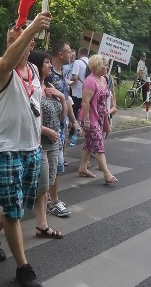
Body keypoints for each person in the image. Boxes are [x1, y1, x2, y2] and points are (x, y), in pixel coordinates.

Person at [0, 13, 52, 287]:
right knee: (13, 210)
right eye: (10, 38)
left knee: (19, 203)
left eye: (20, 38)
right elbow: (8, 60)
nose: (14, 41)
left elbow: (34, 107)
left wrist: (42, 132)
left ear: (31, 45)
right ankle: (23, 268)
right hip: (5, 151)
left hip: (31, 148)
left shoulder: (34, 71)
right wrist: (31, 27)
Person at [27, 50, 66, 238]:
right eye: (47, 62)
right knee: (41, 186)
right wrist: (47, 131)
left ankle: (42, 225)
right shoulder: (32, 88)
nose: (50, 65)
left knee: (47, 184)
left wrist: (62, 98)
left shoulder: (50, 86)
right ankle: (9, 217)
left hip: (54, 144)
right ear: (36, 65)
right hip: (39, 144)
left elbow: (62, 115)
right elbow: (29, 120)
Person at [77, 55, 117, 184]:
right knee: (99, 145)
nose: (106, 67)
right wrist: (87, 120)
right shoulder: (90, 81)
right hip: (91, 118)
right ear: (97, 66)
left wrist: (106, 119)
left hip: (100, 117)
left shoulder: (103, 79)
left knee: (89, 143)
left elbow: (104, 100)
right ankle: (107, 173)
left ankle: (82, 168)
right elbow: (85, 102)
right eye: (104, 65)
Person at [46, 40, 74, 218]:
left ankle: (51, 198)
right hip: (51, 127)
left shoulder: (62, 73)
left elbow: (66, 99)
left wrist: (73, 120)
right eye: (69, 52)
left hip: (61, 126)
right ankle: (53, 201)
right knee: (54, 166)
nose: (72, 54)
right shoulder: (49, 77)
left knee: (55, 166)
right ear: (60, 54)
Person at [69, 47, 90, 145]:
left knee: (74, 112)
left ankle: (74, 132)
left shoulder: (77, 62)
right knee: (83, 111)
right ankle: (82, 131)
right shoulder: (90, 62)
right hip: (88, 92)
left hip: (77, 92)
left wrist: (67, 82)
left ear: (79, 53)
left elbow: (75, 77)